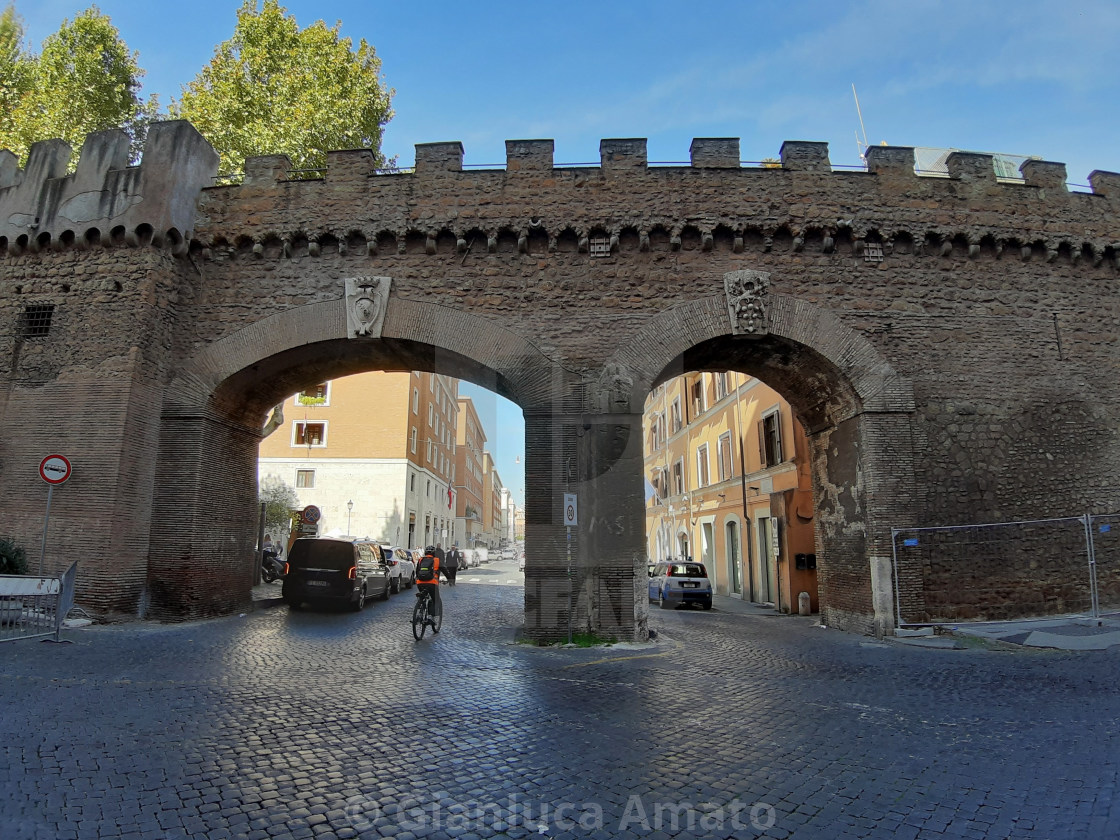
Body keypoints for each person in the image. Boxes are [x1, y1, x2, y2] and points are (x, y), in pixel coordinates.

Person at [416, 545, 442, 620]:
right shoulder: (436, 560)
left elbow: (417, 571)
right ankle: (431, 616)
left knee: (423, 596)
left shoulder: (420, 559)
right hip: (432, 583)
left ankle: (420, 613)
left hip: (420, 583)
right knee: (435, 599)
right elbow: (444, 570)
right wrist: (450, 578)